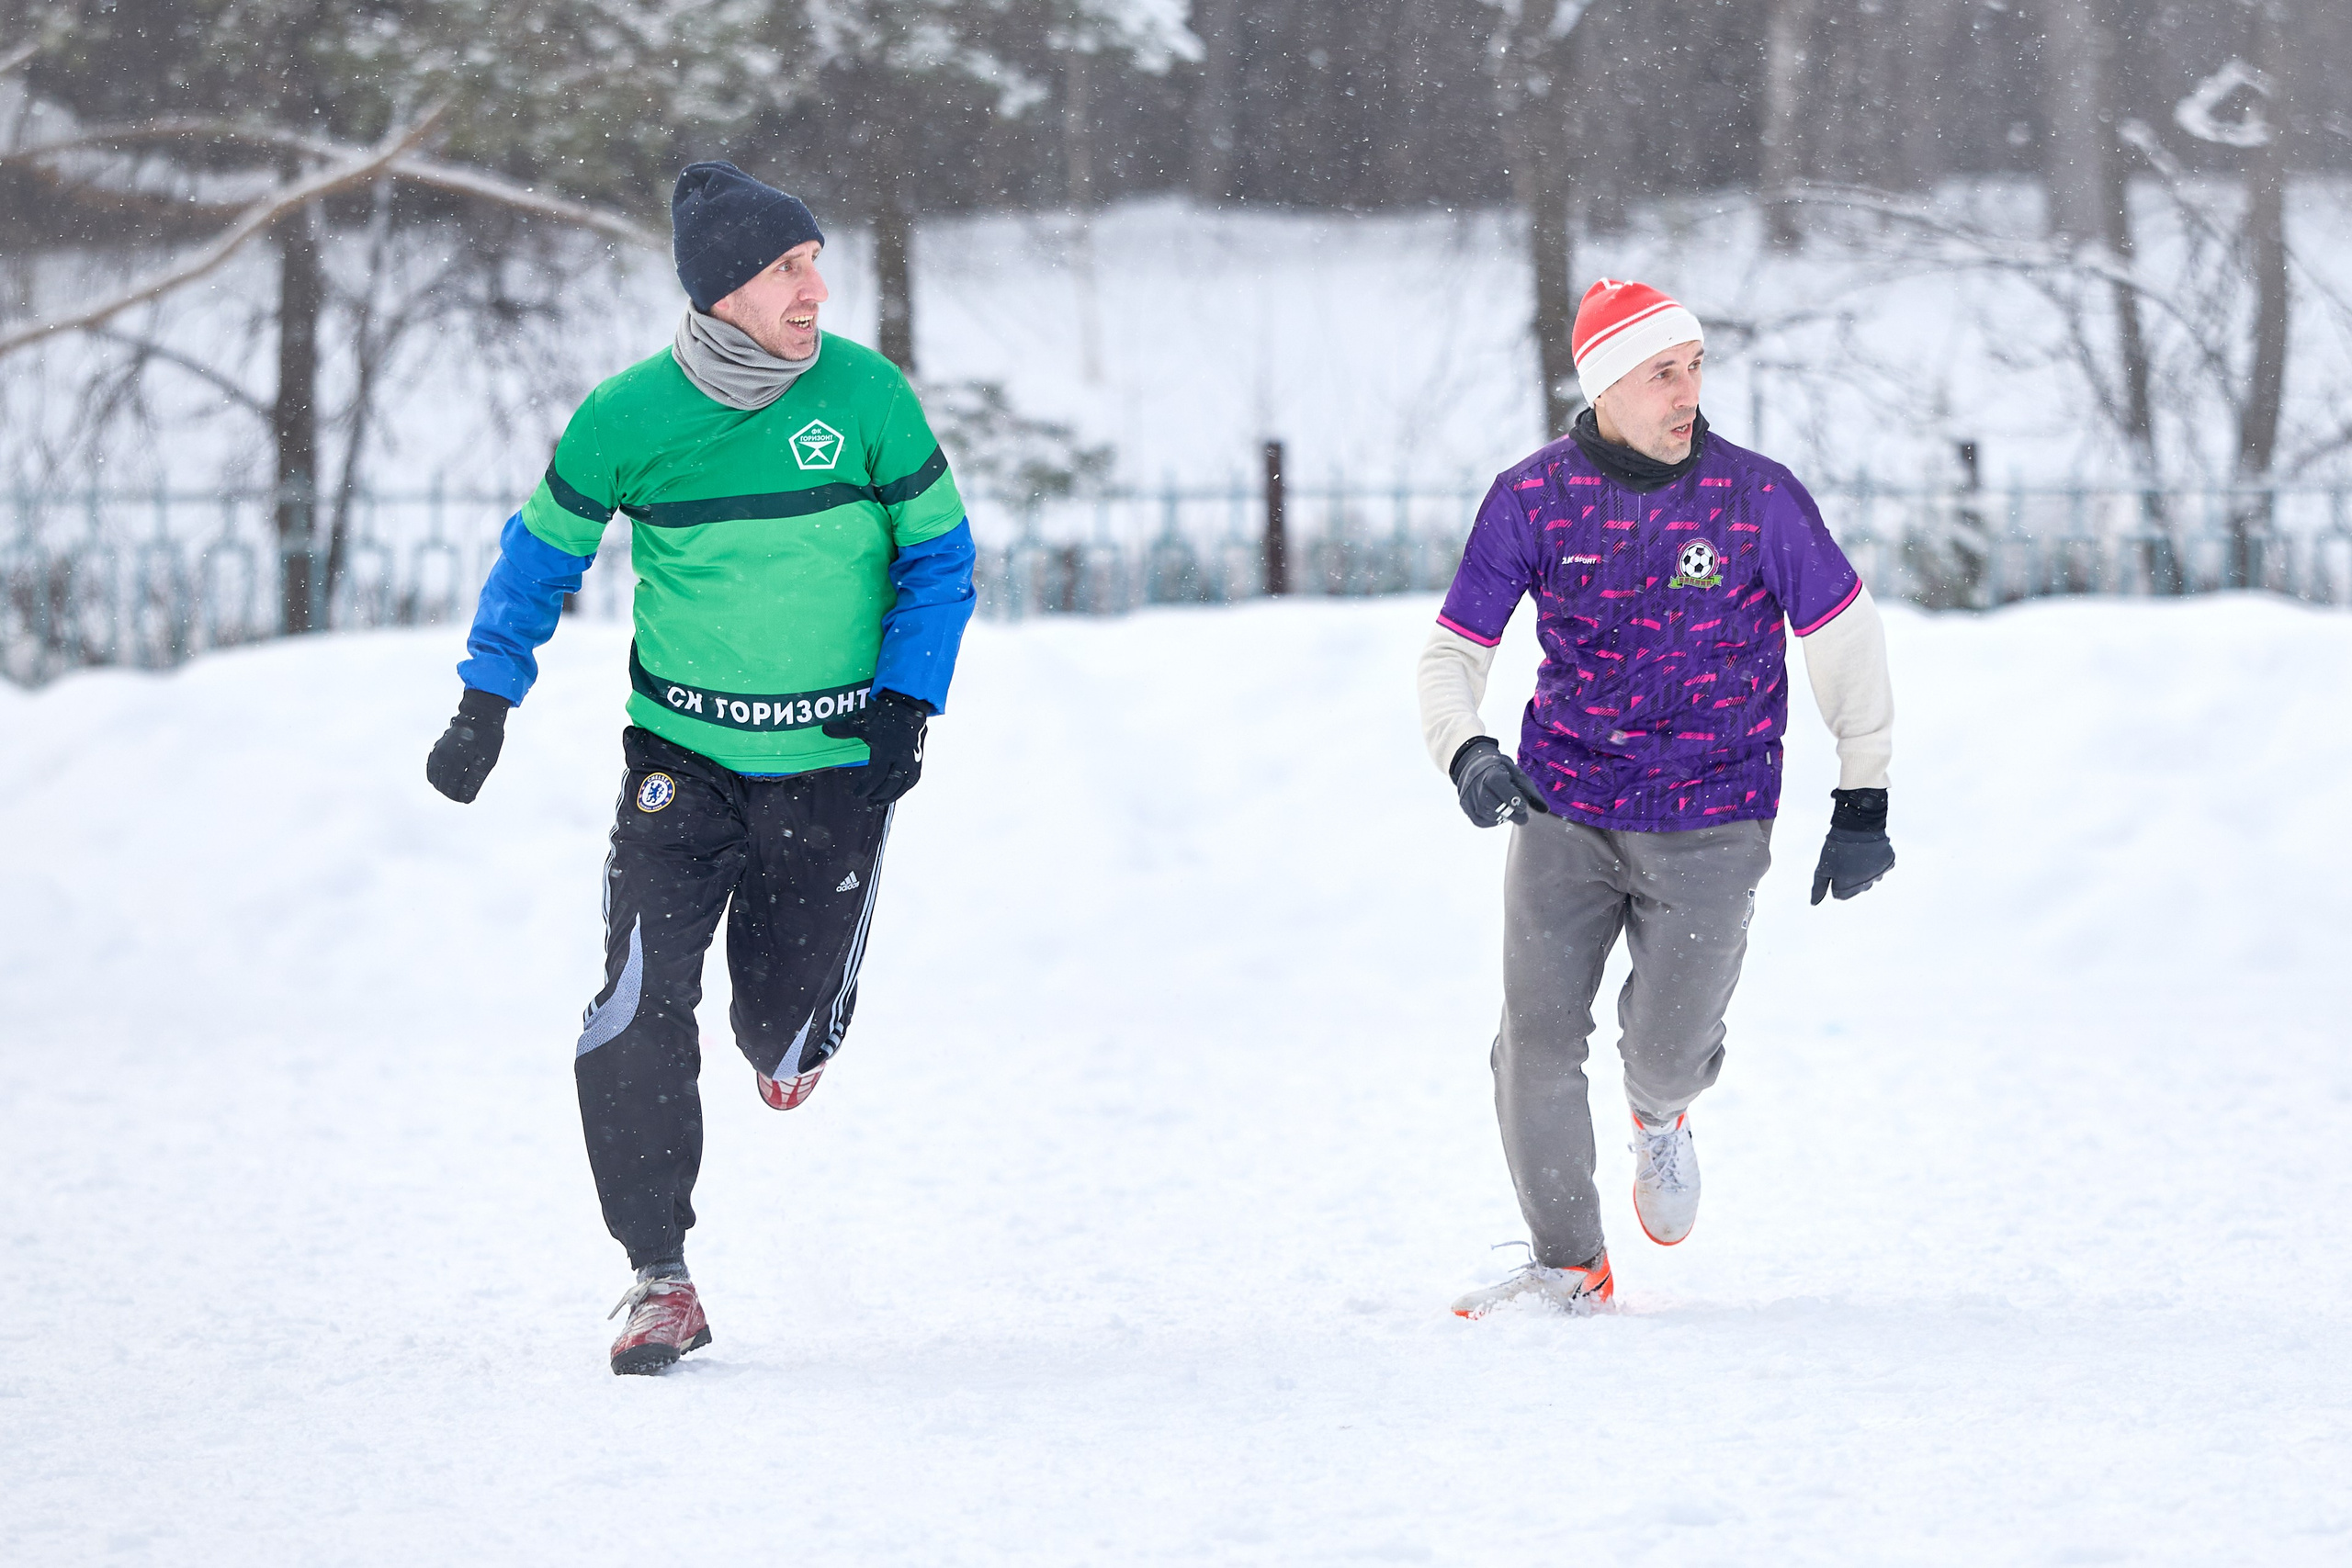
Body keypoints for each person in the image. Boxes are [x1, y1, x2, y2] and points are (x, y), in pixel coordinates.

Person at [424, 162, 976, 1374]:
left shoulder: (867, 397)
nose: (817, 287)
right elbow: (538, 561)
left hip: (836, 764)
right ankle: (658, 1274)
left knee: (777, 1037)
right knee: (632, 997)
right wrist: (484, 697)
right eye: (791, 267)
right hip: (681, 760)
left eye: (815, 261)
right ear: (726, 288)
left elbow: (943, 559)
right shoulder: (627, 419)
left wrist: (907, 698)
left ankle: (796, 1033)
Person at [1418, 278, 1895, 1318]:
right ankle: (1567, 1264)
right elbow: (1454, 650)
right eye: (1661, 374)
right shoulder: (1531, 498)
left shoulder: (1757, 498)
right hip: (1565, 805)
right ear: (1605, 388)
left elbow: (1843, 639)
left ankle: (1660, 1118)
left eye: (1694, 370)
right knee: (1534, 1039)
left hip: (1715, 815)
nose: (1687, 393)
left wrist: (1862, 797)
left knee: (1667, 1050)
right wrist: (1467, 752)